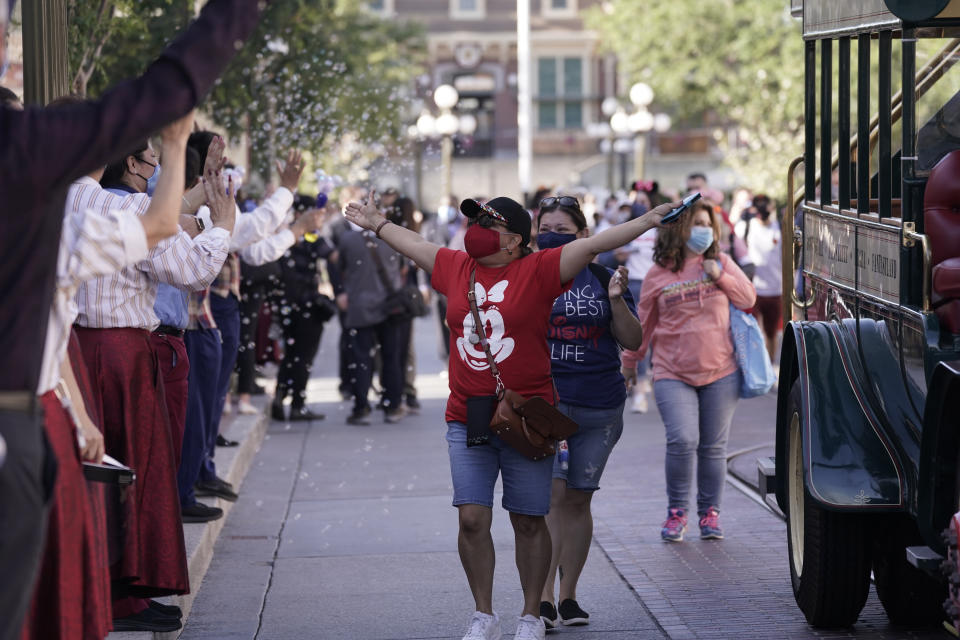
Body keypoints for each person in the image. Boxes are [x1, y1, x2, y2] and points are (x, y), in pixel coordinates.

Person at [0, 1, 264, 633]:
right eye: (141, 157)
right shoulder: (70, 218)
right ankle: (120, 596)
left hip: (69, 369)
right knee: (110, 499)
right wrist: (185, 157)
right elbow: (166, 233)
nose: (145, 164)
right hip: (63, 384)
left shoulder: (62, 211)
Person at [344, 191, 678, 640]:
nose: (476, 231)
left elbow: (594, 243)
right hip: (467, 416)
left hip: (528, 419)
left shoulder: (540, 270)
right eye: (475, 221)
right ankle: (483, 613)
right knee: (471, 518)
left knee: (528, 519)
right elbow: (415, 244)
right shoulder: (455, 267)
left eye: (489, 225)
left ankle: (529, 614)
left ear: (516, 240)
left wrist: (649, 219)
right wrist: (377, 223)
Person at [19, 110, 195, 640]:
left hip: (70, 355)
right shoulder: (80, 206)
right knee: (123, 473)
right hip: (105, 351)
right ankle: (121, 595)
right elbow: (189, 265)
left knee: (94, 481)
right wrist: (179, 148)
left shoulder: (53, 202)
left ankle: (111, 595)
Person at [534, 196, 643, 630]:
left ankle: (569, 595)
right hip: (548, 404)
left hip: (601, 405)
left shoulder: (601, 276)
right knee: (553, 497)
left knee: (579, 499)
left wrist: (617, 301)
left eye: (564, 230)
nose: (553, 236)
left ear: (584, 236)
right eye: (546, 228)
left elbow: (632, 340)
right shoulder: (528, 277)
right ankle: (541, 596)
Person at [621, 200, 756, 543]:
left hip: (721, 371)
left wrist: (720, 276)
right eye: (696, 222)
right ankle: (676, 512)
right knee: (682, 439)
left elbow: (748, 299)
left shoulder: (720, 263)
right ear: (677, 227)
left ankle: (710, 514)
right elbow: (643, 326)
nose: (703, 230)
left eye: (707, 223)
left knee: (713, 447)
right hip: (671, 372)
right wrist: (629, 365)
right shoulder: (657, 275)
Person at [336, 200, 407, 426]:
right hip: (390, 305)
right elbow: (404, 267)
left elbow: (340, 269)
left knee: (360, 359)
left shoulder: (347, 240)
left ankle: (361, 407)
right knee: (391, 359)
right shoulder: (393, 237)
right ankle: (392, 405)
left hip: (360, 306)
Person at [270, 195, 335, 421]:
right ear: (301, 214)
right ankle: (297, 404)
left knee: (292, 354)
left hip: (286, 306)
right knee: (303, 357)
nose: (319, 219)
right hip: (305, 306)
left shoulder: (284, 236)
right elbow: (332, 256)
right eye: (315, 214)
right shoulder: (308, 237)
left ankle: (280, 398)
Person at [737, 194, 782, 362]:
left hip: (775, 289)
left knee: (771, 333)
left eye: (766, 204)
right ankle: (756, 365)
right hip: (752, 289)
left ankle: (769, 367)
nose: (763, 208)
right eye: (758, 204)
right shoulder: (746, 226)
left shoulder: (781, 227)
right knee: (752, 332)